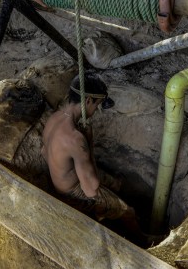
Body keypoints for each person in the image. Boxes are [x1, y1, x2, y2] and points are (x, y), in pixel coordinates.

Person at [41, 73, 154, 246]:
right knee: (128, 212)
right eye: (97, 104)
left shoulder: (54, 118)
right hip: (73, 191)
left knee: (116, 184)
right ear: (87, 101)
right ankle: (145, 242)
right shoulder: (75, 139)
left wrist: (66, 169)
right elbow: (91, 189)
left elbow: (44, 152)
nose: (96, 110)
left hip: (62, 180)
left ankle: (118, 199)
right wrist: (89, 143)